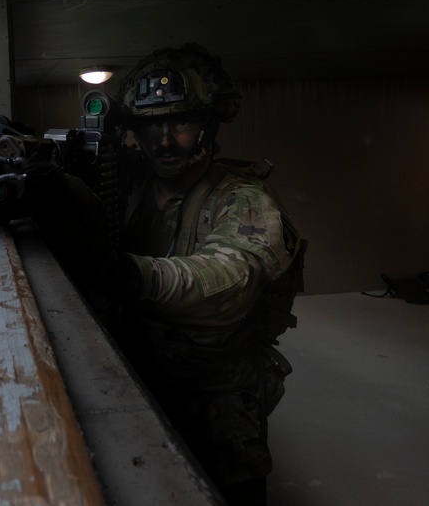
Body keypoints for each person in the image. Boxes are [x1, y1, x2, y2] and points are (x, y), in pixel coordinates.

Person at [33, 43, 304, 506]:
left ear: (209, 125)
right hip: (133, 376)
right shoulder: (130, 186)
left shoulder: (241, 198)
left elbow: (228, 283)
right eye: (150, 124)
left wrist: (120, 273)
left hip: (214, 397)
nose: (163, 139)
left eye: (180, 122)